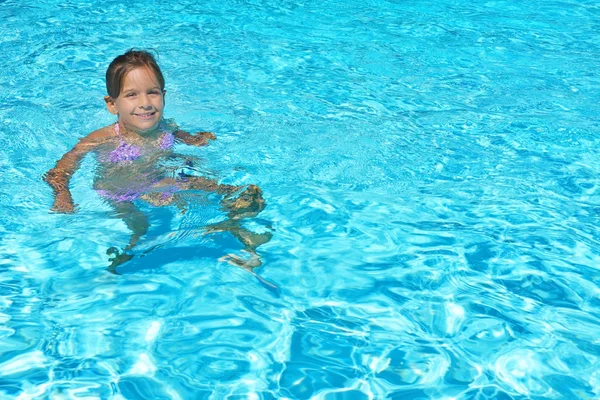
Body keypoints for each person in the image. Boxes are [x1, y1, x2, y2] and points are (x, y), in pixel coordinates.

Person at [44, 49, 271, 272]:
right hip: (122, 192)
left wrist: (193, 139)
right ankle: (125, 261)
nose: (145, 103)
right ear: (112, 104)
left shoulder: (165, 125)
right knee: (143, 227)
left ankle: (236, 223)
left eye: (152, 92)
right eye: (132, 95)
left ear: (164, 95)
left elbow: (177, 133)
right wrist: (63, 195)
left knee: (223, 190)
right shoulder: (103, 138)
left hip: (161, 178)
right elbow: (61, 168)